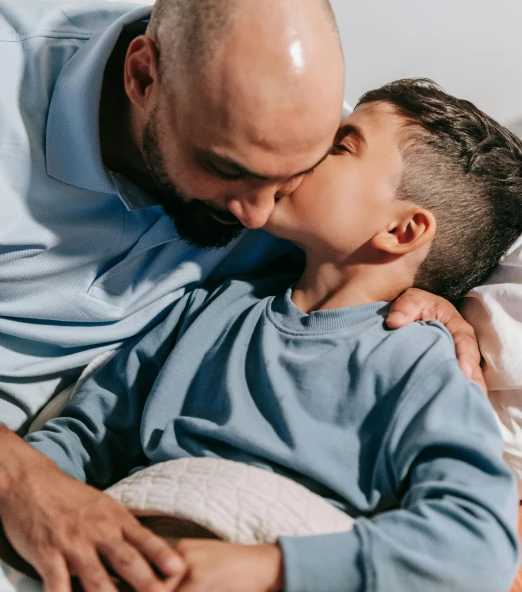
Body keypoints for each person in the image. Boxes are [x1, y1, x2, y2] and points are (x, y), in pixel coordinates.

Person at [16, 79, 522, 592]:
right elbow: (87, 437)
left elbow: (479, 546)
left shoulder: (422, 365)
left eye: (341, 145)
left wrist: (269, 568)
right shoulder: (207, 307)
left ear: (403, 231)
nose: (307, 147)